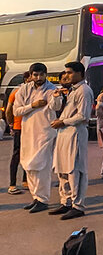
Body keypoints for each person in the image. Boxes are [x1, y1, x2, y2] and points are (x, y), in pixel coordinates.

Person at [49, 62, 94, 219]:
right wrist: (57, 98)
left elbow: (83, 116)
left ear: (80, 74)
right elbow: (56, 109)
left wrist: (63, 122)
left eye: (69, 72)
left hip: (75, 133)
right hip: (63, 134)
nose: (66, 75)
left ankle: (78, 205)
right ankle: (65, 201)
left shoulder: (84, 91)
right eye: (65, 72)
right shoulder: (70, 91)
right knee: (62, 168)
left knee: (75, 170)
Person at [13, 63, 57, 213]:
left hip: (45, 132)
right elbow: (16, 111)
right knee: (29, 165)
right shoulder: (24, 89)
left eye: (41, 75)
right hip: (28, 133)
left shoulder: (52, 90)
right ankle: (36, 197)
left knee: (42, 166)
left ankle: (43, 199)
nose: (38, 78)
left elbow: (55, 107)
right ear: (30, 75)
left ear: (46, 74)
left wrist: (57, 98)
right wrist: (33, 105)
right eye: (35, 75)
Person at [5, 71, 30, 195]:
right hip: (18, 127)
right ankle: (12, 184)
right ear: (26, 79)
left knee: (28, 154)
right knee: (17, 155)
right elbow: (9, 110)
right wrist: (11, 125)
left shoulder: (35, 92)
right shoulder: (16, 92)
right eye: (32, 76)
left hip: (30, 128)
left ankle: (26, 181)